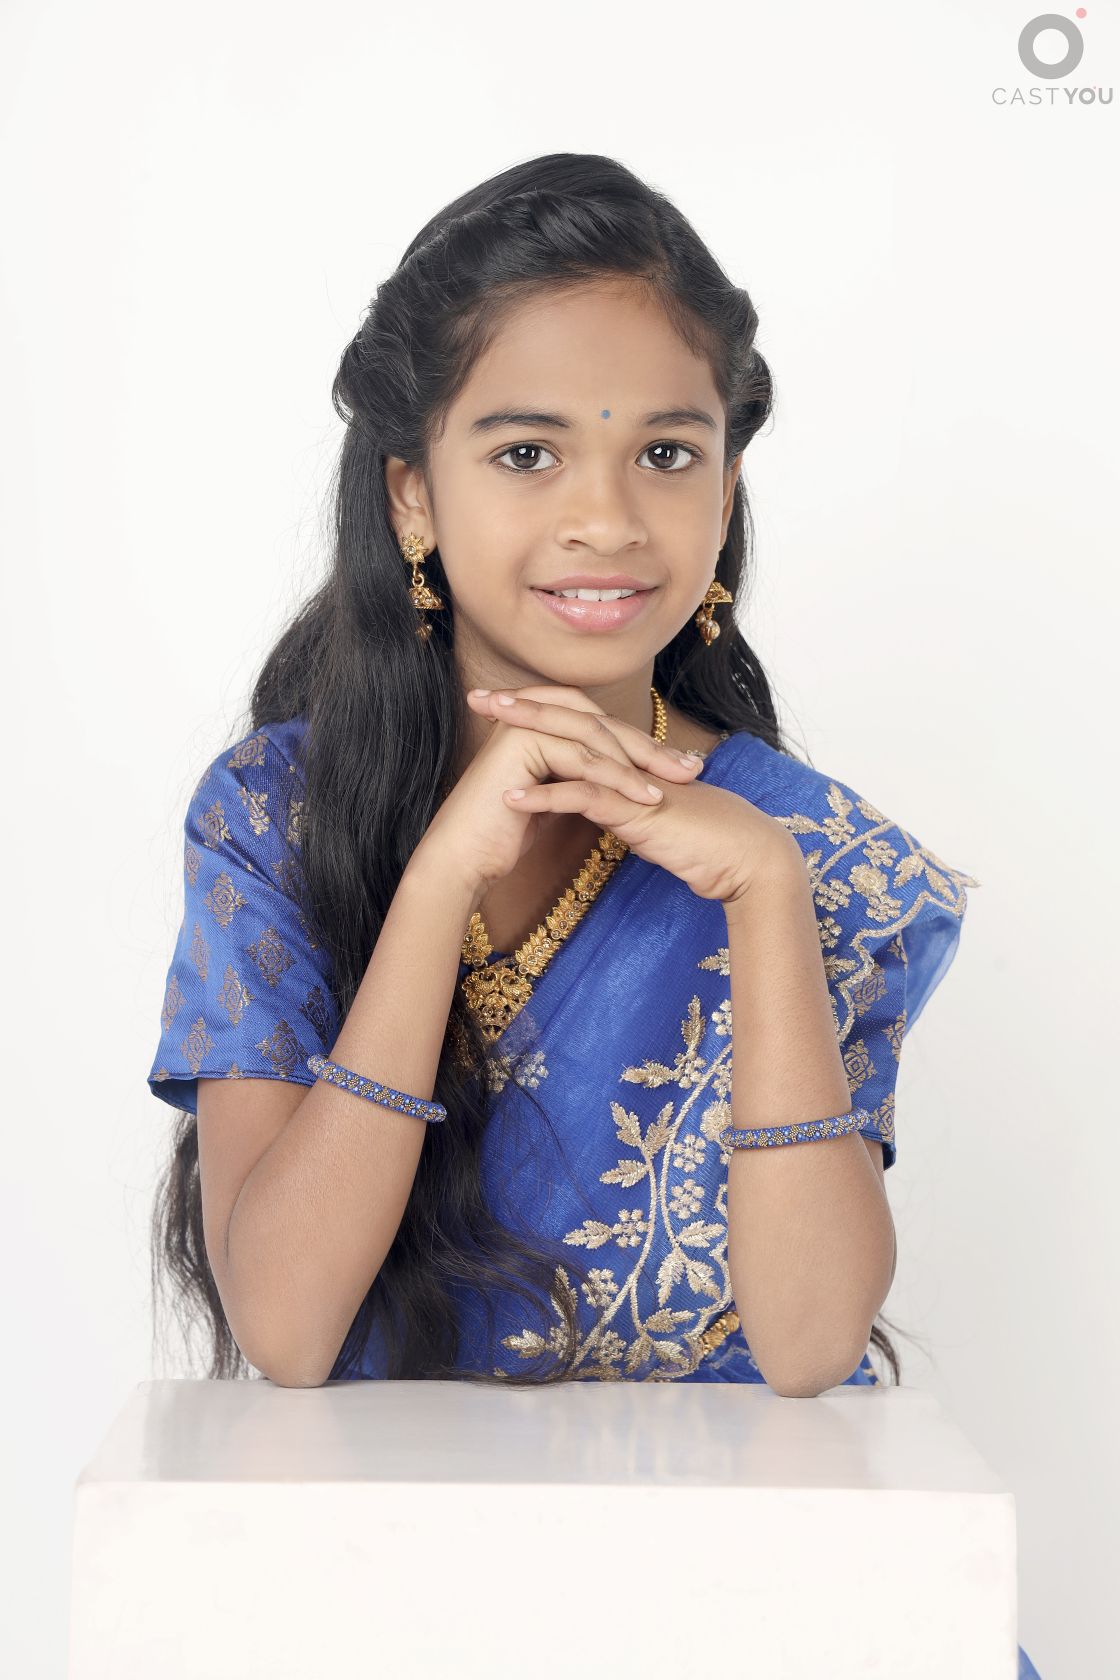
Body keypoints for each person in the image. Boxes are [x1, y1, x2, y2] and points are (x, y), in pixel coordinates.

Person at [147, 153, 1040, 1679]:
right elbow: (286, 1330)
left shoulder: (822, 855)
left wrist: (765, 896)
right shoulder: (277, 818)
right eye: (527, 453)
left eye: (667, 454)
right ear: (412, 494)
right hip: (391, 1599)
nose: (607, 519)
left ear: (725, 491)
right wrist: (436, 884)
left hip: (761, 1608)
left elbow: (812, 1346)